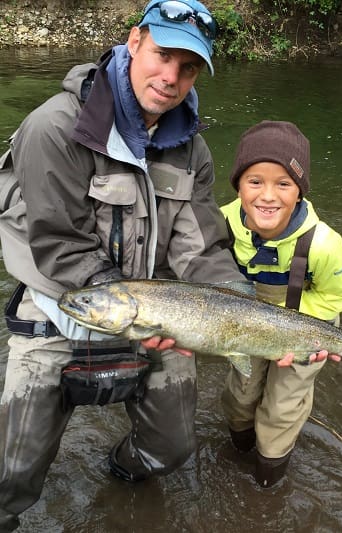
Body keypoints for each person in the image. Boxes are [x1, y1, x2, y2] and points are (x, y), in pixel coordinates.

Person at [0, 1, 248, 530]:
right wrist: (138, 308)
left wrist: (245, 312)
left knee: (171, 451)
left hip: (149, 314)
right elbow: (61, 246)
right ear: (134, 41)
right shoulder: (53, 128)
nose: (171, 77)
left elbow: (199, 250)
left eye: (188, 68)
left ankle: (120, 476)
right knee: (10, 474)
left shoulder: (192, 150)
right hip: (59, 305)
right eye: (162, 55)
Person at [220, 120, 342, 488]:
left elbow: (336, 296)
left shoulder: (324, 243)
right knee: (240, 397)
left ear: (299, 191)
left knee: (281, 409)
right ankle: (239, 448)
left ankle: (268, 481)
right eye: (255, 182)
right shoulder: (223, 223)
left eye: (283, 184)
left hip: (304, 326)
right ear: (238, 186)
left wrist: (291, 331)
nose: (267, 196)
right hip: (243, 327)